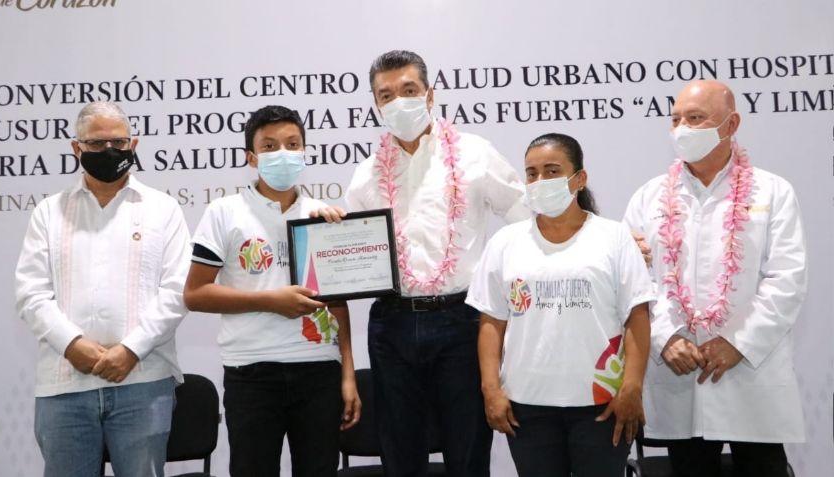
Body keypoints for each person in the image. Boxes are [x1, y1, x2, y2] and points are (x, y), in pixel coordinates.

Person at [316, 49, 529, 477]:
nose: (398, 101)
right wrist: (328, 232)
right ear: (376, 105)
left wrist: (591, 237)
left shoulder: (474, 153)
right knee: (399, 451)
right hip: (391, 324)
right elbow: (352, 254)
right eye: (386, 94)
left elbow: (526, 216)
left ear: (430, 95)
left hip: (461, 321)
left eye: (408, 90)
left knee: (467, 448)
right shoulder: (366, 175)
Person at [623, 79, 807, 477]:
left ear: (731, 123)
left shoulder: (772, 192)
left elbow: (786, 279)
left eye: (696, 118)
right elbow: (632, 283)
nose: (682, 129)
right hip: (679, 372)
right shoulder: (648, 197)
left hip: (751, 372)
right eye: (675, 119)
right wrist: (665, 337)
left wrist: (738, 343)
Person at [14, 101, 191, 477]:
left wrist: (131, 349)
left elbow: (177, 291)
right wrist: (71, 344)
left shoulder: (164, 209)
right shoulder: (48, 212)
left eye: (119, 142)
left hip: (142, 379)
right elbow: (31, 292)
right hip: (64, 383)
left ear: (134, 144)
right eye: (96, 144)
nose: (109, 151)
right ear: (76, 148)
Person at [183, 105, 360, 477]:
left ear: (305, 151)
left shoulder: (322, 215)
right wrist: (270, 301)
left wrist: (348, 375)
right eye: (269, 145)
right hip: (251, 373)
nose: (283, 153)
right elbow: (196, 293)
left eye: (293, 144)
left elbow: (338, 303)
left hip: (319, 372)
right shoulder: (224, 212)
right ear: (251, 157)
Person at [469, 133, 654, 476]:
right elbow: (491, 322)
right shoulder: (505, 243)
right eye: (532, 173)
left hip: (601, 405)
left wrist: (632, 387)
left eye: (552, 171)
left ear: (579, 178)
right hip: (527, 406)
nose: (540, 181)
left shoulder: (614, 238)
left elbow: (637, 317)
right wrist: (490, 389)